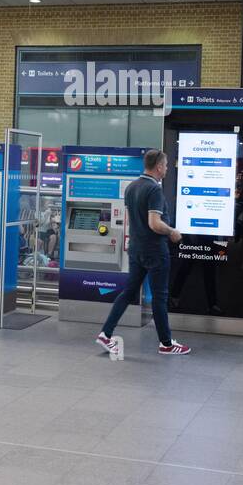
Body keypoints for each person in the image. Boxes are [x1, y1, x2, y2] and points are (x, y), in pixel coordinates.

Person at [95, 149, 190, 356]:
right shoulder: (153, 190)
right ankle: (166, 343)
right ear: (158, 166)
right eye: (165, 165)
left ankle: (105, 334)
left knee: (129, 292)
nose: (166, 168)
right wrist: (172, 231)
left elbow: (132, 221)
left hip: (136, 248)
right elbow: (154, 223)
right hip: (155, 250)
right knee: (159, 297)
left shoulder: (131, 187)